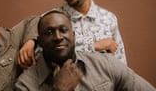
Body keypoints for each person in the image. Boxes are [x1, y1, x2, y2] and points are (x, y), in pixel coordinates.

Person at [15, 10, 155, 91]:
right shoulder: (25, 85)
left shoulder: (104, 64)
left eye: (63, 30)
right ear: (39, 41)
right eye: (49, 32)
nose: (57, 37)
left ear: (74, 36)